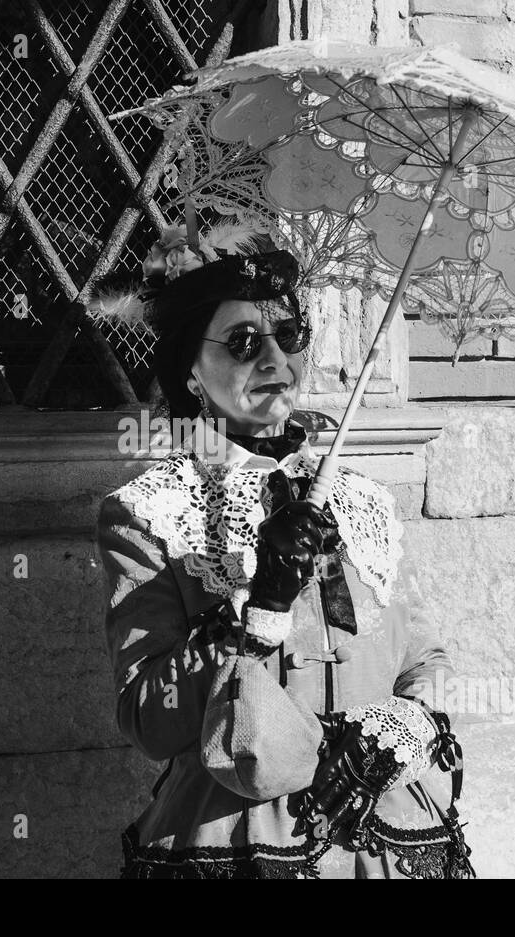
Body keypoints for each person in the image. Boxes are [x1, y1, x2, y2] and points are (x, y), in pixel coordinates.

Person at [90, 219, 475, 879]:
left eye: (290, 336)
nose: (276, 363)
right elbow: (149, 719)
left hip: (387, 836)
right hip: (239, 841)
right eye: (243, 343)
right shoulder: (149, 512)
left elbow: (422, 656)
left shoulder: (360, 500)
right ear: (190, 370)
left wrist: (405, 729)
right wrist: (258, 608)